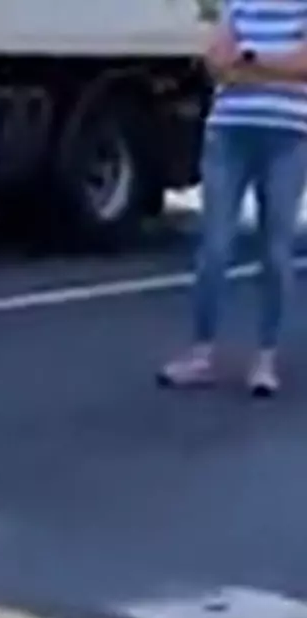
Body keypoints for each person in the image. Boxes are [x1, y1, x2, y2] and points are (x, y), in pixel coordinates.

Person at [159, 0, 307, 397]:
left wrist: (249, 60)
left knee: (275, 250)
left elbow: (303, 64)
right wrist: (267, 67)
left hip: (288, 137)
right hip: (228, 133)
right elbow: (216, 63)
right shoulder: (239, 2)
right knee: (214, 246)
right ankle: (201, 352)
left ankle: (265, 358)